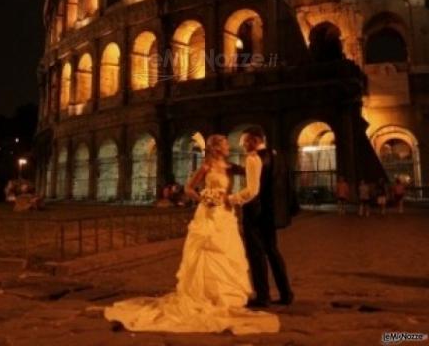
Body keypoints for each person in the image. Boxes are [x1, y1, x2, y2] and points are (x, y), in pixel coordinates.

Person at [104, 134, 280, 335]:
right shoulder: (206, 167)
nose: (229, 147)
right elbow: (188, 188)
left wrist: (264, 156)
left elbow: (253, 177)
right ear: (216, 148)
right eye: (224, 145)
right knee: (206, 254)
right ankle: (204, 295)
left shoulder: (231, 167)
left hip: (225, 216)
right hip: (208, 214)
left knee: (226, 252)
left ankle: (226, 294)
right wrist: (203, 198)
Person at [228, 127, 295, 308]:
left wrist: (232, 199)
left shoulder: (253, 158)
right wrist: (242, 170)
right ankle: (286, 293)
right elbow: (268, 178)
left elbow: (252, 189)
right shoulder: (277, 155)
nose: (243, 146)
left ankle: (263, 296)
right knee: (273, 251)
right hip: (271, 212)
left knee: (256, 254)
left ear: (255, 140)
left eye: (245, 142)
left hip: (255, 213)